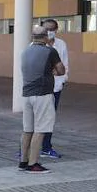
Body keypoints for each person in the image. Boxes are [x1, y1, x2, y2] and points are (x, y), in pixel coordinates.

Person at [19, 26, 63, 174]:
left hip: (26, 94)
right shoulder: (50, 51)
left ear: (32, 37)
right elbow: (61, 70)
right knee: (41, 129)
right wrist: (53, 71)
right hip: (43, 94)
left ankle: (23, 161)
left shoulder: (25, 51)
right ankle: (33, 163)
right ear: (45, 37)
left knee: (27, 130)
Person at [40, 19, 70, 159]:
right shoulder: (36, 45)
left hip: (56, 87)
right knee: (37, 118)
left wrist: (62, 80)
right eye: (46, 29)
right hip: (39, 88)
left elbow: (64, 65)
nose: (49, 32)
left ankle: (46, 147)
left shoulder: (61, 44)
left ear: (56, 30)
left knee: (50, 117)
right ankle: (27, 148)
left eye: (52, 29)